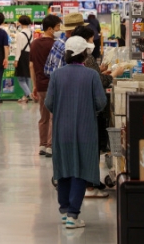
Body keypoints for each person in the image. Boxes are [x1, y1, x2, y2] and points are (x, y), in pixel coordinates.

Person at [45, 36, 107, 229]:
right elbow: (101, 102)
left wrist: (63, 109)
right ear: (85, 54)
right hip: (86, 129)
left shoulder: (57, 75)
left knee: (63, 168)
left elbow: (49, 103)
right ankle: (73, 215)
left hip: (62, 128)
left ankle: (64, 210)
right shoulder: (92, 75)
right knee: (80, 169)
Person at [72, 25, 126, 199]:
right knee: (92, 148)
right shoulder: (86, 57)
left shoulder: (72, 60)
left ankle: (91, 182)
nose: (93, 41)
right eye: (91, 38)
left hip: (78, 112)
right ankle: (89, 185)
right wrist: (114, 74)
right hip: (91, 110)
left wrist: (101, 71)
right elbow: (99, 82)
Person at [30, 14, 62, 158]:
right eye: (58, 27)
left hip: (41, 85)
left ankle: (42, 144)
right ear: (50, 29)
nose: (59, 29)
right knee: (54, 116)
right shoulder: (56, 45)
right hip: (54, 84)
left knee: (43, 116)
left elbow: (31, 66)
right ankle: (50, 146)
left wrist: (34, 85)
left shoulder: (35, 44)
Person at [44, 12, 86, 78]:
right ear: (72, 31)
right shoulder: (67, 48)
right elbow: (59, 76)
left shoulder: (58, 42)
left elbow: (47, 70)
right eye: (82, 30)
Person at [14, 15, 33, 103]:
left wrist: (16, 59)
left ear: (20, 23)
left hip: (22, 56)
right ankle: (25, 97)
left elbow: (18, 48)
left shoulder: (20, 34)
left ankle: (29, 95)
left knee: (21, 78)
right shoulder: (31, 33)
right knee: (27, 77)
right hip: (29, 55)